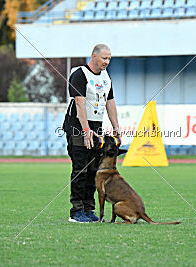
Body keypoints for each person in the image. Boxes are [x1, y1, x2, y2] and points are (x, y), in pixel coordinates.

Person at [63, 44, 121, 223]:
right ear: (93, 56)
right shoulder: (79, 74)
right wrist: (86, 130)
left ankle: (89, 209)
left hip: (96, 127)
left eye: (109, 58)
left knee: (93, 170)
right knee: (80, 168)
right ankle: (76, 211)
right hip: (77, 125)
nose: (107, 62)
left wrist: (116, 128)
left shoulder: (106, 77)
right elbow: (80, 104)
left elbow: (109, 102)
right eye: (104, 58)